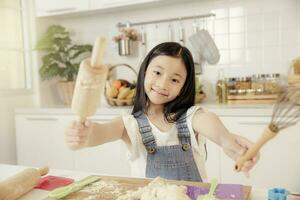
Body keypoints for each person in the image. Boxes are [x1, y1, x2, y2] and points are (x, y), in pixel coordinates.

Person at [65, 42, 259, 182]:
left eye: (175, 80)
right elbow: (102, 132)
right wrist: (84, 135)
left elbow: (208, 121)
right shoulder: (130, 125)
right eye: (157, 73)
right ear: (144, 72)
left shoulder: (191, 118)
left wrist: (227, 140)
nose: (162, 84)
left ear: (184, 87)